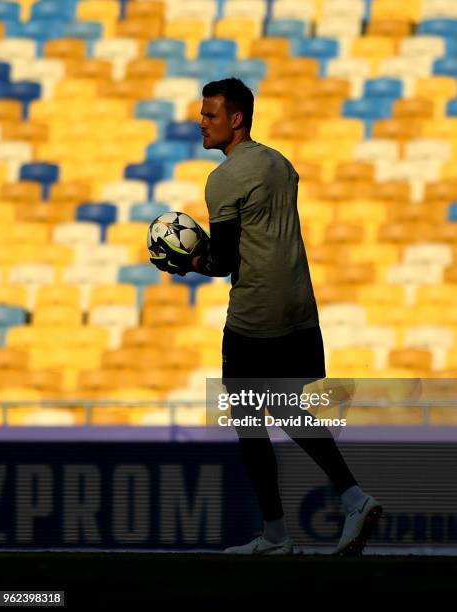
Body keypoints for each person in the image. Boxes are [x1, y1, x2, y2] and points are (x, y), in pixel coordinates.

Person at [150, 77, 382, 555]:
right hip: (300, 307)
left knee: (248, 418)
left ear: (236, 120)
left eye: (210, 115)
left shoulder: (224, 178)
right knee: (283, 407)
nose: (201, 122)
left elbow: (224, 262)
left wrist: (185, 260)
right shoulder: (281, 163)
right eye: (202, 114)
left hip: (258, 312)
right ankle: (352, 499)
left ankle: (282, 532)